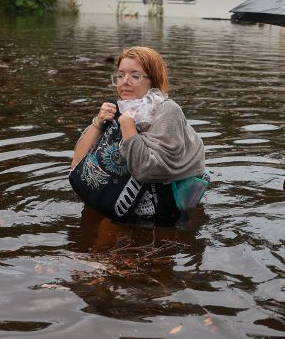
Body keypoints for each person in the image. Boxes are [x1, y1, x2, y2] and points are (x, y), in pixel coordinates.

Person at [70, 46, 206, 222]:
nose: (125, 81)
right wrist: (97, 123)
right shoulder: (116, 108)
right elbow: (77, 165)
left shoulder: (167, 110)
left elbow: (148, 170)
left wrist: (127, 126)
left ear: (152, 80)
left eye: (135, 76)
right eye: (120, 75)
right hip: (115, 206)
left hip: (158, 219)